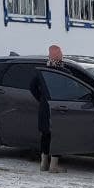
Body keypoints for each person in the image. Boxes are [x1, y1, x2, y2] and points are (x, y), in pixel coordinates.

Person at [30, 44, 65, 173]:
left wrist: (41, 98)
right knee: (58, 135)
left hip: (45, 108)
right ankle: (54, 165)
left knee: (46, 135)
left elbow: (32, 87)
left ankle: (44, 164)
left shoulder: (42, 72)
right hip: (59, 108)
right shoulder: (62, 71)